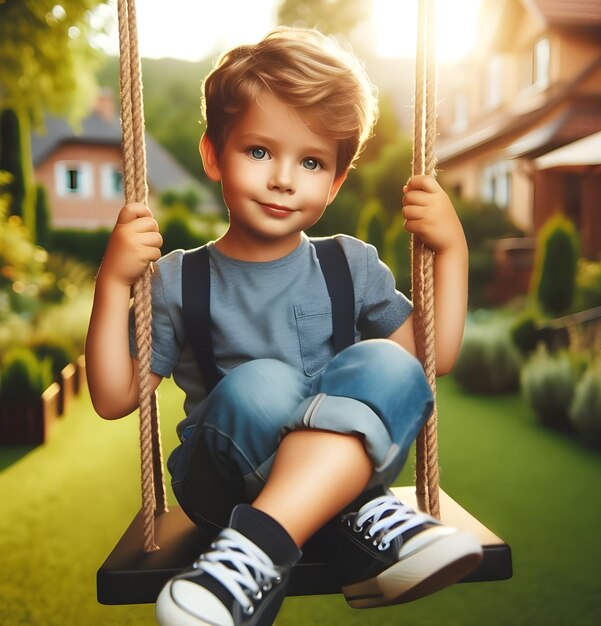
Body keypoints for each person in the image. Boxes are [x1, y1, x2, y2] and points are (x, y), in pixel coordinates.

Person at [86, 27, 482, 626]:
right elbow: (115, 397)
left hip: (334, 470)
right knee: (263, 384)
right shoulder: (177, 280)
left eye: (312, 161)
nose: (283, 179)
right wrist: (113, 285)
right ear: (213, 154)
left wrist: (453, 252)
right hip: (224, 481)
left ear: (336, 181)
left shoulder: (349, 263)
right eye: (259, 151)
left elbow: (430, 359)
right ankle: (354, 525)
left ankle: (258, 554)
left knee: (386, 364)